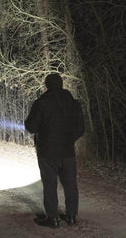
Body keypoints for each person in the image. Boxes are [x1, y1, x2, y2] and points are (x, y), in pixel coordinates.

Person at [24, 73, 85, 228]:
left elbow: (31, 127)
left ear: (47, 85)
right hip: (67, 151)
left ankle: (53, 218)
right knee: (70, 184)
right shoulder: (73, 103)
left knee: (50, 185)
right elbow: (81, 128)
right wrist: (69, 140)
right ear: (61, 84)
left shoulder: (41, 102)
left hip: (47, 151)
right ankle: (71, 216)